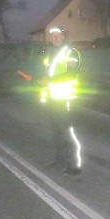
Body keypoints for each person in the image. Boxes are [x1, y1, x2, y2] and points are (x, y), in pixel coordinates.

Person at [38, 25, 82, 175]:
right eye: (53, 35)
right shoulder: (50, 53)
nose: (54, 37)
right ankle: (60, 161)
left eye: (57, 35)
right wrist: (42, 80)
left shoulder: (71, 52)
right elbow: (47, 72)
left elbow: (71, 74)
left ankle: (74, 165)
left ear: (63, 36)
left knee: (67, 133)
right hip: (52, 99)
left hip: (66, 99)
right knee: (56, 132)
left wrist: (49, 80)